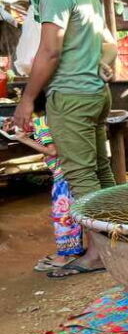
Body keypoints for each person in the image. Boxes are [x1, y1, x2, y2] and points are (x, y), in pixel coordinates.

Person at [13, 0, 117, 277]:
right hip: (95, 94)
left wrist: (27, 100)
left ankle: (99, 254)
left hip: (71, 96)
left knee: (81, 176)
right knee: (100, 171)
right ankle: (120, 243)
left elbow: (50, 50)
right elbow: (105, 42)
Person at [5, 94, 86, 272]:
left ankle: (65, 256)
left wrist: (24, 139)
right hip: (72, 171)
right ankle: (72, 251)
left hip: (62, 177)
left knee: (62, 217)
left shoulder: (42, 122)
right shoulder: (53, 119)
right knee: (69, 216)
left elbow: (51, 150)